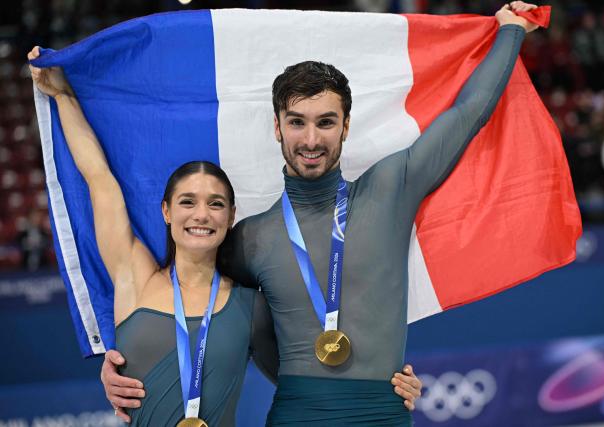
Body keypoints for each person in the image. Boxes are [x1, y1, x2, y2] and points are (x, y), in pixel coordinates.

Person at [103, 2, 539, 425]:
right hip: (296, 415)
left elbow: (468, 114)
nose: (311, 139)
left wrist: (509, 30)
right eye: (297, 122)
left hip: (382, 413)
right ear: (277, 127)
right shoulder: (249, 239)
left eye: (326, 122)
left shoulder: (390, 189)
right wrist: (120, 366)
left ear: (346, 126)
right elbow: (187, 300)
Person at [28, 46, 422, 425]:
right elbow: (99, 179)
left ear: (232, 216)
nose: (201, 214)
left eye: (216, 204)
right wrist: (63, 96)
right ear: (165, 211)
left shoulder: (249, 305)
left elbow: (306, 378)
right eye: (187, 202)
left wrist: (387, 385)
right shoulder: (134, 277)